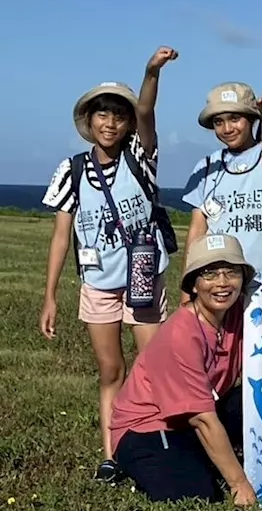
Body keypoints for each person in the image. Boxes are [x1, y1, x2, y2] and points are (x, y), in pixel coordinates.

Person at [40, 47, 178, 483]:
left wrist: (150, 73)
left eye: (119, 115)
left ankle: (162, 444)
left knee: (155, 366)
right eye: (102, 115)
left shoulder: (140, 157)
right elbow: (63, 233)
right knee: (110, 371)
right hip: (98, 281)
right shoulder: (72, 170)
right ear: (89, 122)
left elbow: (149, 112)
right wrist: (49, 296)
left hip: (142, 276)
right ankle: (111, 454)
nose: (110, 123)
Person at [110, 234, 254, 505]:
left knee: (254, 399)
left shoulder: (238, 311)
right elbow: (201, 417)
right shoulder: (181, 334)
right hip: (150, 427)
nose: (222, 283)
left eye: (231, 272)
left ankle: (206, 455)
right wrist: (239, 484)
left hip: (203, 412)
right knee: (194, 496)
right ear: (195, 285)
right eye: (209, 274)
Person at [183, 82, 262, 274]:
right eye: (218, 122)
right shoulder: (207, 167)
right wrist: (187, 291)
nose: (227, 128)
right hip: (222, 283)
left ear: (252, 119)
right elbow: (197, 232)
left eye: (235, 118)